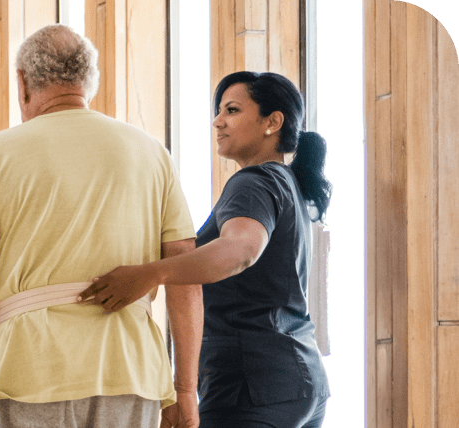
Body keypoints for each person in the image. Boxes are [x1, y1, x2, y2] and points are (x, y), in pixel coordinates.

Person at [0, 24, 203, 428]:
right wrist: (184, 390)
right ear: (87, 81)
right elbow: (185, 277)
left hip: (28, 374)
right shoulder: (152, 154)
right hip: (131, 373)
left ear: (22, 84)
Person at [80, 71, 332, 427]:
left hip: (250, 389)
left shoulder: (253, 183)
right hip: (302, 382)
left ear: (273, 122)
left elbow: (241, 249)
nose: (218, 121)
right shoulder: (287, 183)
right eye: (219, 111)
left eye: (231, 110)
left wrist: (150, 274)